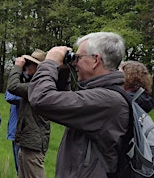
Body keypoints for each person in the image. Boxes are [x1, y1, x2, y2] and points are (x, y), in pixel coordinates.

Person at [27, 32, 129, 177]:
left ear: (96, 60)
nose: (75, 62)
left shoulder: (106, 100)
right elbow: (62, 104)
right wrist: (63, 71)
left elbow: (41, 99)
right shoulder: (104, 95)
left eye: (79, 58)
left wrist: (49, 63)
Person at [6, 49, 49, 178]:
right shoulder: (34, 84)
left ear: (37, 68)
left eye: (30, 64)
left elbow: (12, 87)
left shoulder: (38, 86)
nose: (26, 66)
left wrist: (17, 67)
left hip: (33, 142)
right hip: (28, 140)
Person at [4, 90, 22, 174]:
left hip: (22, 133)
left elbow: (9, 96)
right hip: (15, 131)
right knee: (19, 170)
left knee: (22, 170)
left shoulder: (27, 86)